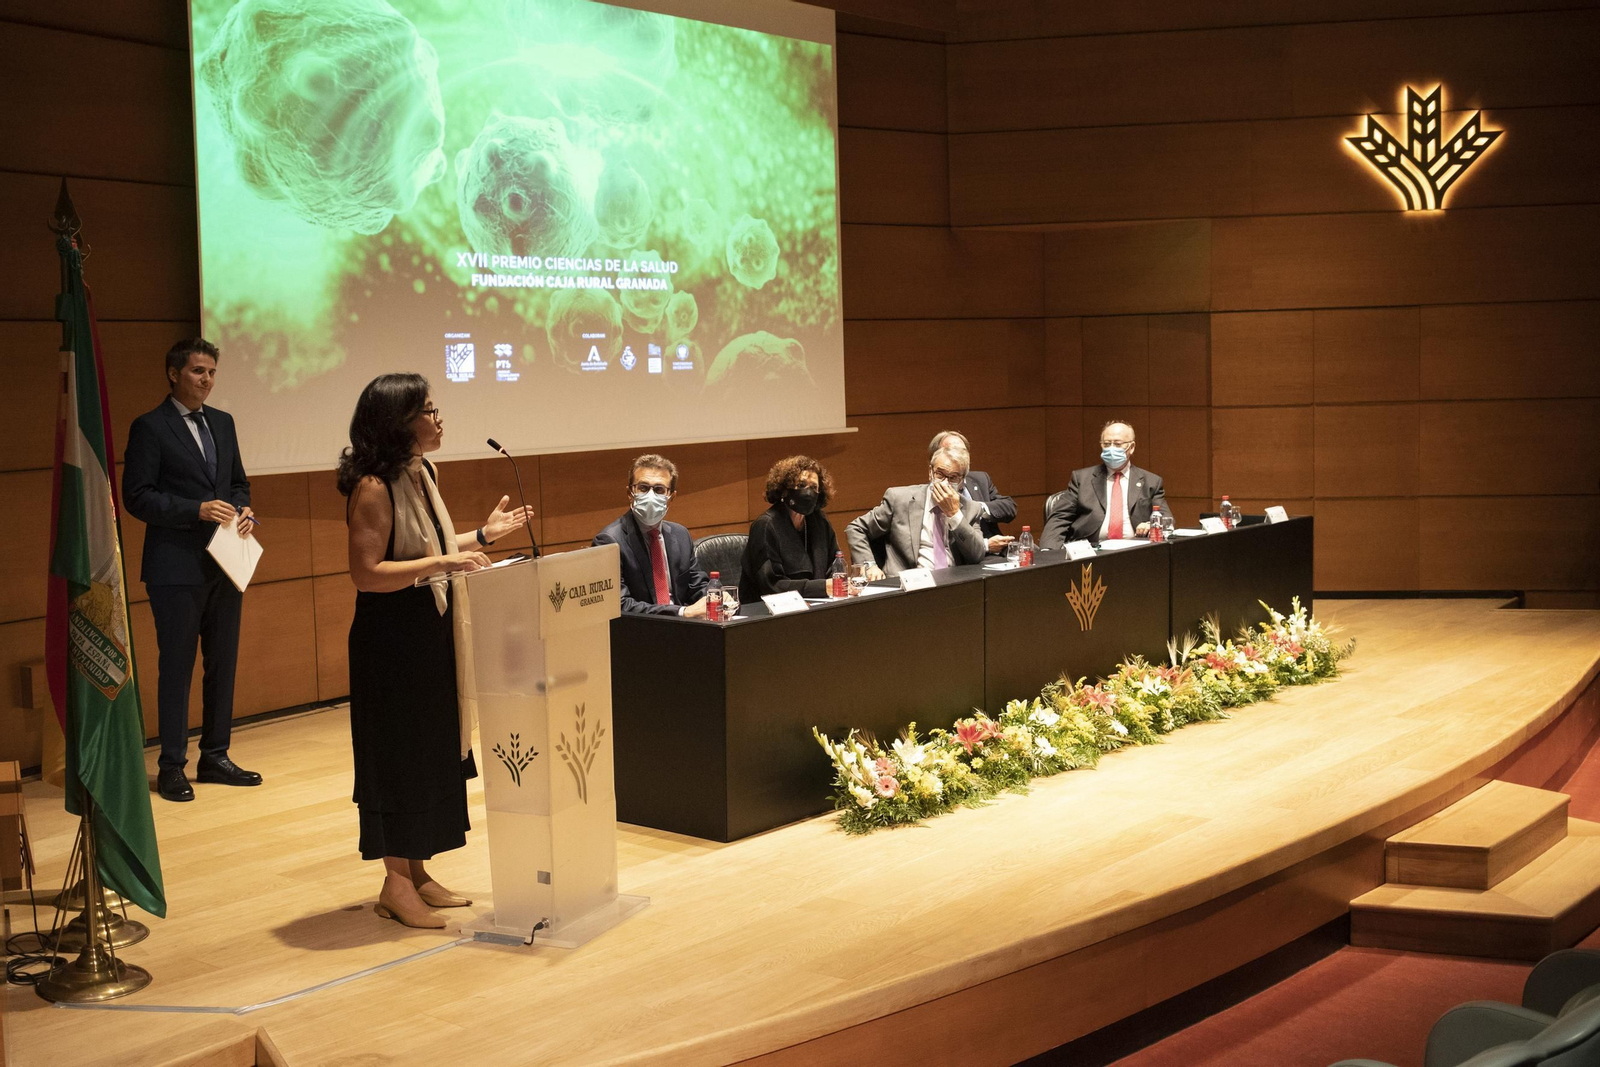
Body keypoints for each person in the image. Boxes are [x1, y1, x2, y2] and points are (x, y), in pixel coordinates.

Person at [339, 374, 533, 929]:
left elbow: (435, 549)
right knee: (398, 758)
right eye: (427, 410)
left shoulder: (420, 471)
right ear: (399, 424)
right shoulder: (374, 486)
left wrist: (483, 536)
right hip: (391, 642)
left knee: (428, 754)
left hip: (429, 632)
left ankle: (416, 872)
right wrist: (442, 564)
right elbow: (367, 573)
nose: (438, 418)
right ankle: (394, 884)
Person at [122, 338, 260, 803]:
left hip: (226, 562)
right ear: (173, 373)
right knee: (177, 668)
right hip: (175, 568)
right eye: (199, 371)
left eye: (212, 372)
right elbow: (137, 496)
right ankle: (171, 765)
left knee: (223, 663)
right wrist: (196, 510)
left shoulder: (223, 422)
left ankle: (215, 756)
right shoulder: (151, 427)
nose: (207, 380)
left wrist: (243, 510)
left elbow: (238, 483)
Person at [592, 453, 710, 616]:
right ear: (630, 493)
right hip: (639, 633)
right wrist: (682, 612)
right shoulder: (609, 541)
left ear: (671, 497)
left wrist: (715, 597)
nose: (650, 495)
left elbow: (697, 586)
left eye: (659, 489)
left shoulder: (680, 534)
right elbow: (619, 604)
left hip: (685, 630)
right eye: (643, 488)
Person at [847, 445, 988, 578]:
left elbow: (976, 555)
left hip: (953, 585)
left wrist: (954, 514)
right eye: (940, 474)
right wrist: (869, 565)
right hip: (908, 586)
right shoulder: (899, 499)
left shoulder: (971, 508)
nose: (945, 483)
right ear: (930, 473)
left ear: (962, 480)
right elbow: (856, 528)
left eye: (953, 478)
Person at [1040, 420, 1168, 549]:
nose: (1111, 448)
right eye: (1106, 444)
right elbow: (1059, 518)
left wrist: (1150, 524)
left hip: (1135, 550)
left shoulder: (1151, 481)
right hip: (1090, 550)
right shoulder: (1081, 479)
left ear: (1132, 447)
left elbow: (1166, 518)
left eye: (1118, 444)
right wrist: (1048, 552)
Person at [739, 456, 841, 604]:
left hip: (816, 606)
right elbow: (772, 585)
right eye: (801, 485)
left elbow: (835, 564)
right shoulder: (766, 526)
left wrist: (838, 583)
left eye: (813, 487)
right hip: (767, 613)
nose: (808, 492)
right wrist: (822, 587)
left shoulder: (819, 522)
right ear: (784, 490)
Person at [929, 430, 1016, 551]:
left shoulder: (980, 479)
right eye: (953, 451)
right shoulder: (937, 491)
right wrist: (985, 545)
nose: (960, 456)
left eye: (963, 452)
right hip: (969, 557)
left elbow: (1009, 507)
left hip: (999, 549)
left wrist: (977, 508)